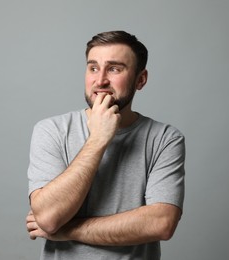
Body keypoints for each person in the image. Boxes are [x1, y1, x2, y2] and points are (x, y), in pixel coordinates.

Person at [26, 30, 185, 260]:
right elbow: (49, 217)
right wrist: (99, 138)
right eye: (93, 68)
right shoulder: (51, 130)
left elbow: (161, 223)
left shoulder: (165, 138)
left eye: (114, 68)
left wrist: (67, 231)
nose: (100, 80)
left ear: (140, 79)